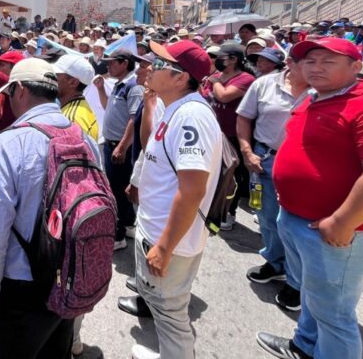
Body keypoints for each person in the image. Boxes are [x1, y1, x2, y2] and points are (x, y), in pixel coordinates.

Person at [257, 37, 363, 359]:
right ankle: (304, 346)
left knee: (335, 317)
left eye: (328, 61)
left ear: (356, 67)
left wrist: (341, 223)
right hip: (298, 219)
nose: (315, 68)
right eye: (309, 61)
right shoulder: (313, 97)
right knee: (314, 298)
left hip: (338, 230)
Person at [0, 58, 101, 359]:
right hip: (67, 282)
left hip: (19, 291)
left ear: (18, 90)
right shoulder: (85, 138)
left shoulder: (9, 143)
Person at [129, 40, 222, 359]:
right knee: (160, 304)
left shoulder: (192, 116)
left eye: (159, 63)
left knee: (170, 315)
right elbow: (153, 150)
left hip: (170, 240)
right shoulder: (175, 108)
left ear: (181, 77)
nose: (149, 67)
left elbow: (193, 188)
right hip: (156, 229)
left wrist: (165, 247)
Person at [236, 55, 308, 313]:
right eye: (307, 61)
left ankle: (297, 282)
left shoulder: (323, 90)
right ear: (290, 61)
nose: (314, 67)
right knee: (267, 217)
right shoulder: (264, 84)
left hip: (304, 168)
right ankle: (274, 263)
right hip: (264, 160)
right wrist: (247, 151)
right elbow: (244, 117)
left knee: (296, 226)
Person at [50, 54, 97, 356]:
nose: (53, 80)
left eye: (58, 75)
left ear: (71, 81)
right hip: (75, 208)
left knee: (66, 278)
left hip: (71, 210)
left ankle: (67, 340)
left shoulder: (74, 117)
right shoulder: (71, 108)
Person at [200, 42, 255, 230]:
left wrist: (215, 83)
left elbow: (224, 96)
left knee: (231, 177)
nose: (216, 61)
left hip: (232, 135)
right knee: (210, 174)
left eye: (220, 58)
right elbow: (204, 95)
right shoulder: (216, 76)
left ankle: (229, 212)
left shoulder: (245, 79)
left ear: (234, 60)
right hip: (211, 131)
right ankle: (210, 208)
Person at [94, 49, 141, 249]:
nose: (108, 66)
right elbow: (107, 107)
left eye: (112, 62)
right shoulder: (119, 85)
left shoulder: (133, 87)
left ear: (124, 63)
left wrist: (121, 146)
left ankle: (118, 236)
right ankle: (128, 225)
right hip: (113, 145)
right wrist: (100, 89)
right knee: (119, 189)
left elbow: (133, 119)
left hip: (120, 147)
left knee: (117, 191)